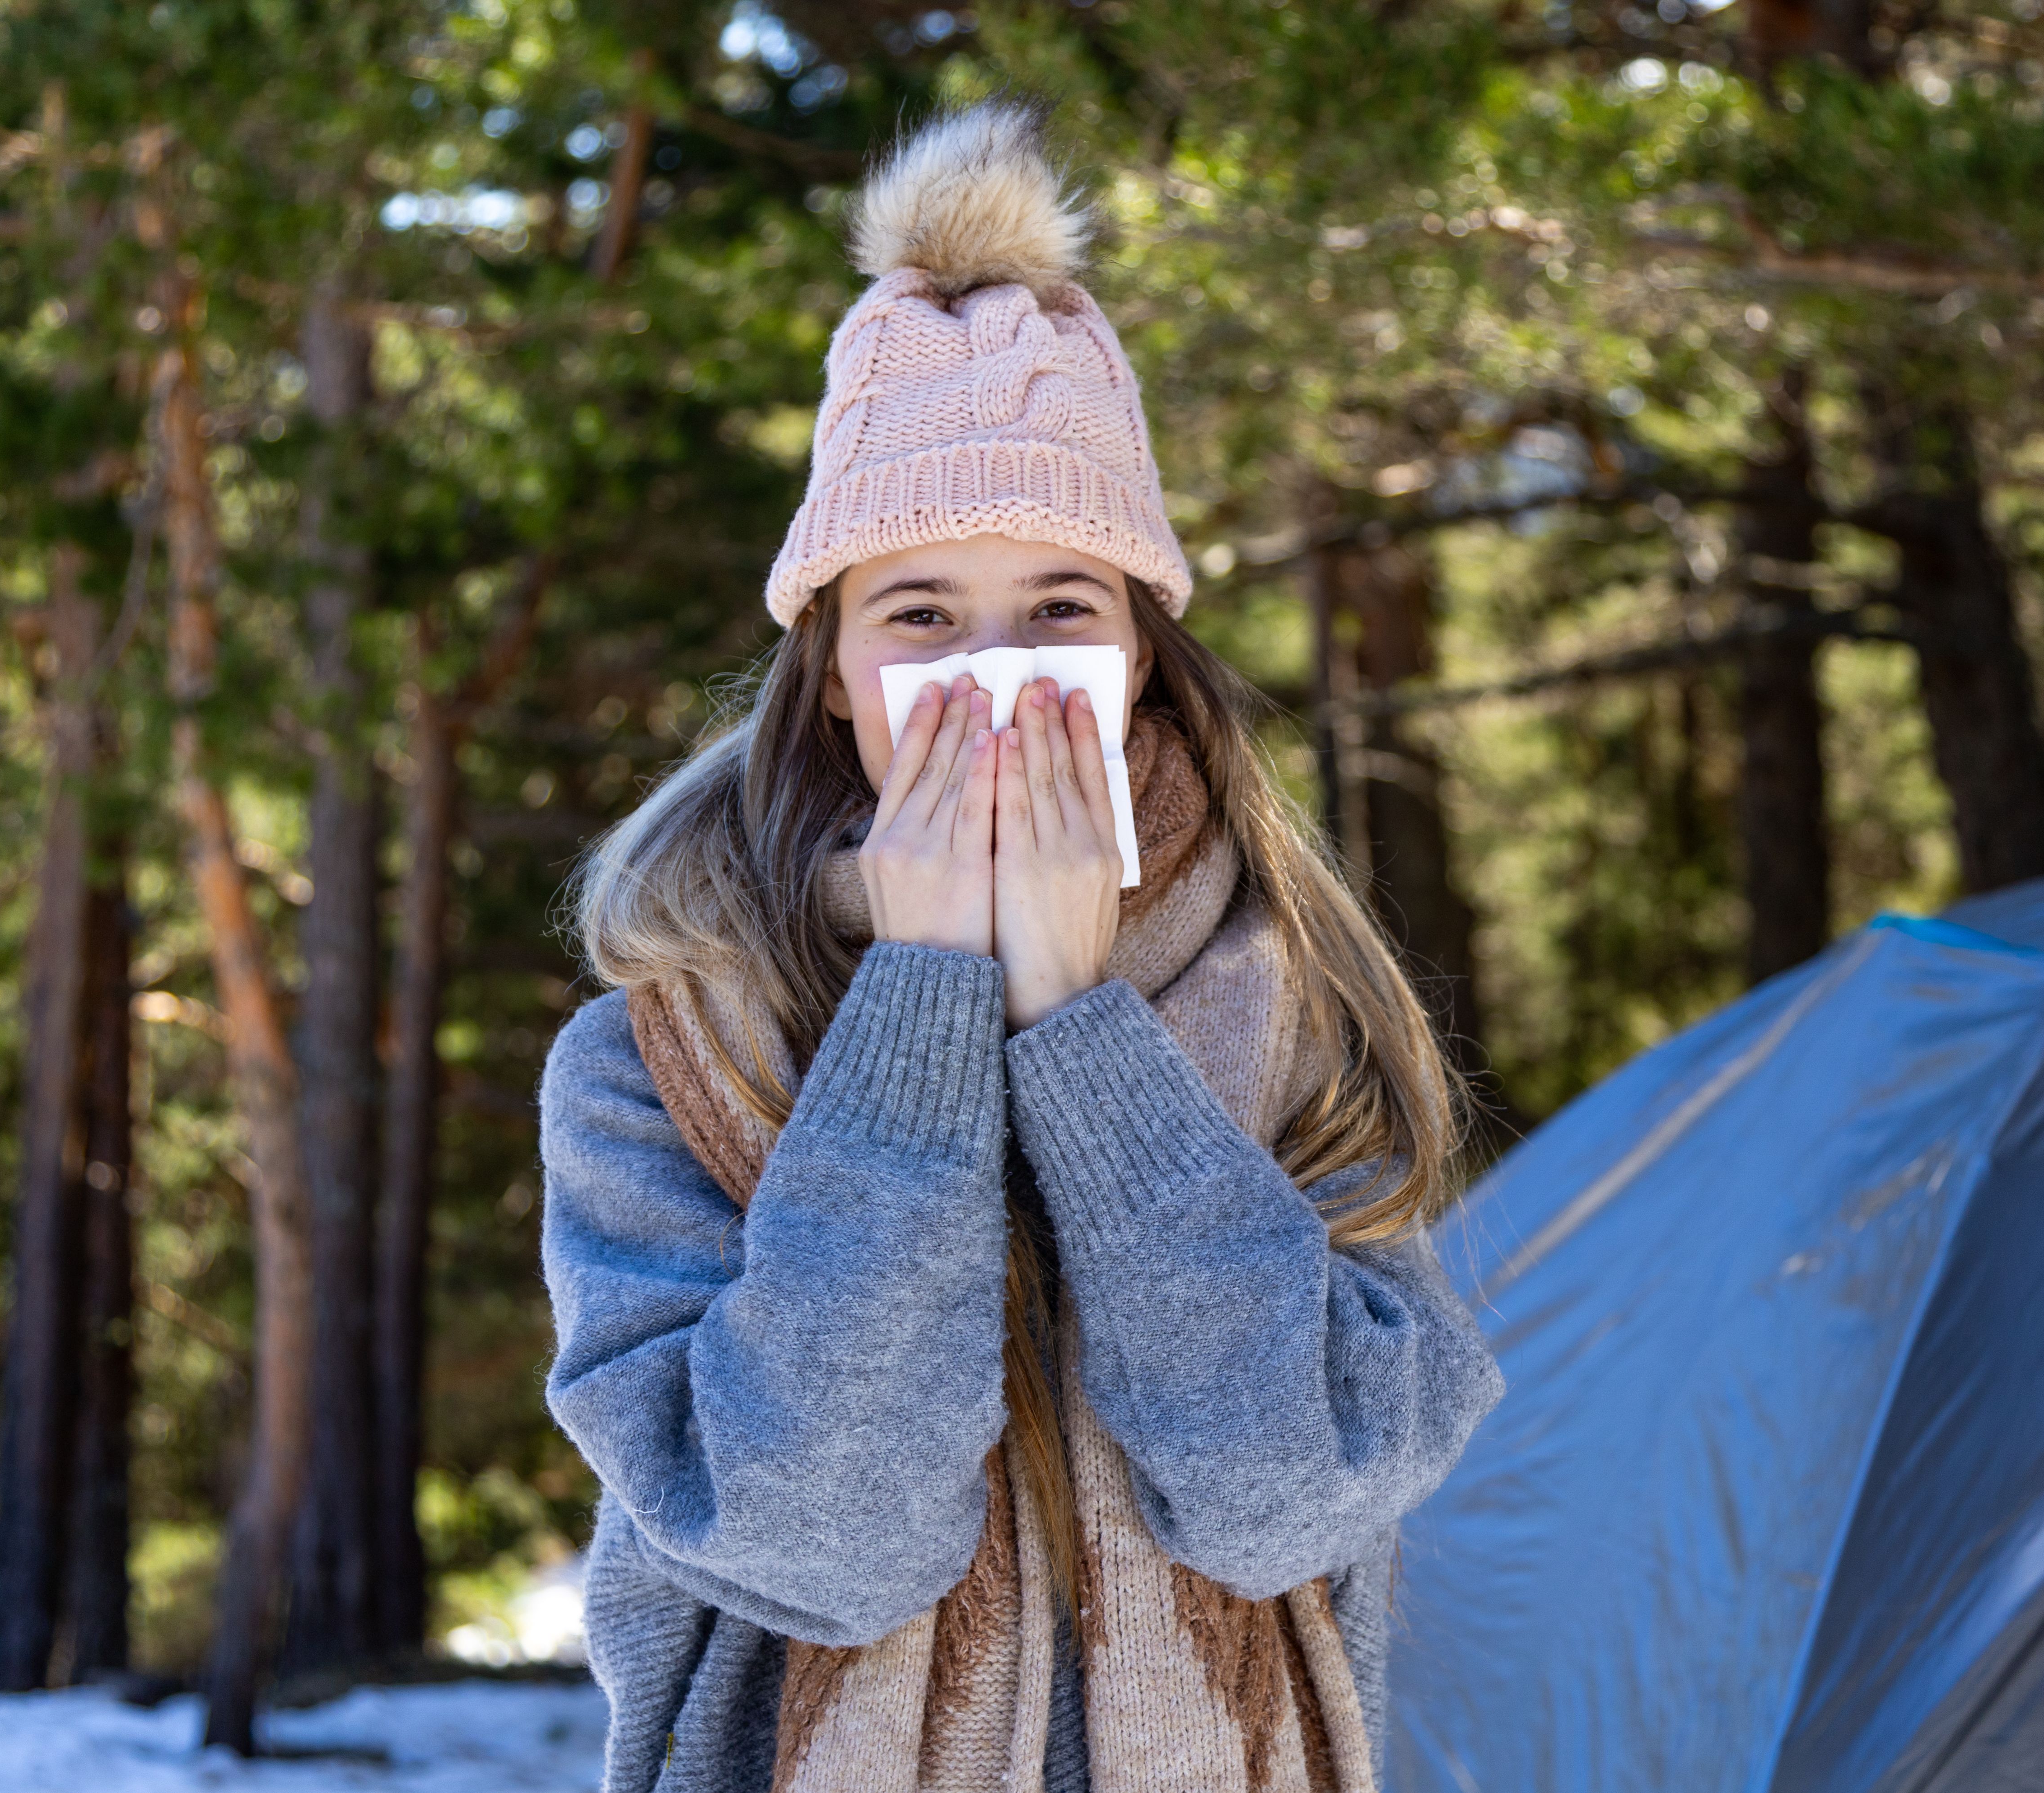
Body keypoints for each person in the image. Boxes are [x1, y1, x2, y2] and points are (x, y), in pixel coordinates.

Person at [541, 100, 1504, 1793]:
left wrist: (1075, 1023)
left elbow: (1286, 1498)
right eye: (920, 615)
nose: (995, 678)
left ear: (1140, 658)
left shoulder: (1296, 1015)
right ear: (830, 679)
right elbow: (818, 1539)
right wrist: (923, 999)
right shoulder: (659, 1060)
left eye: (1061, 607)